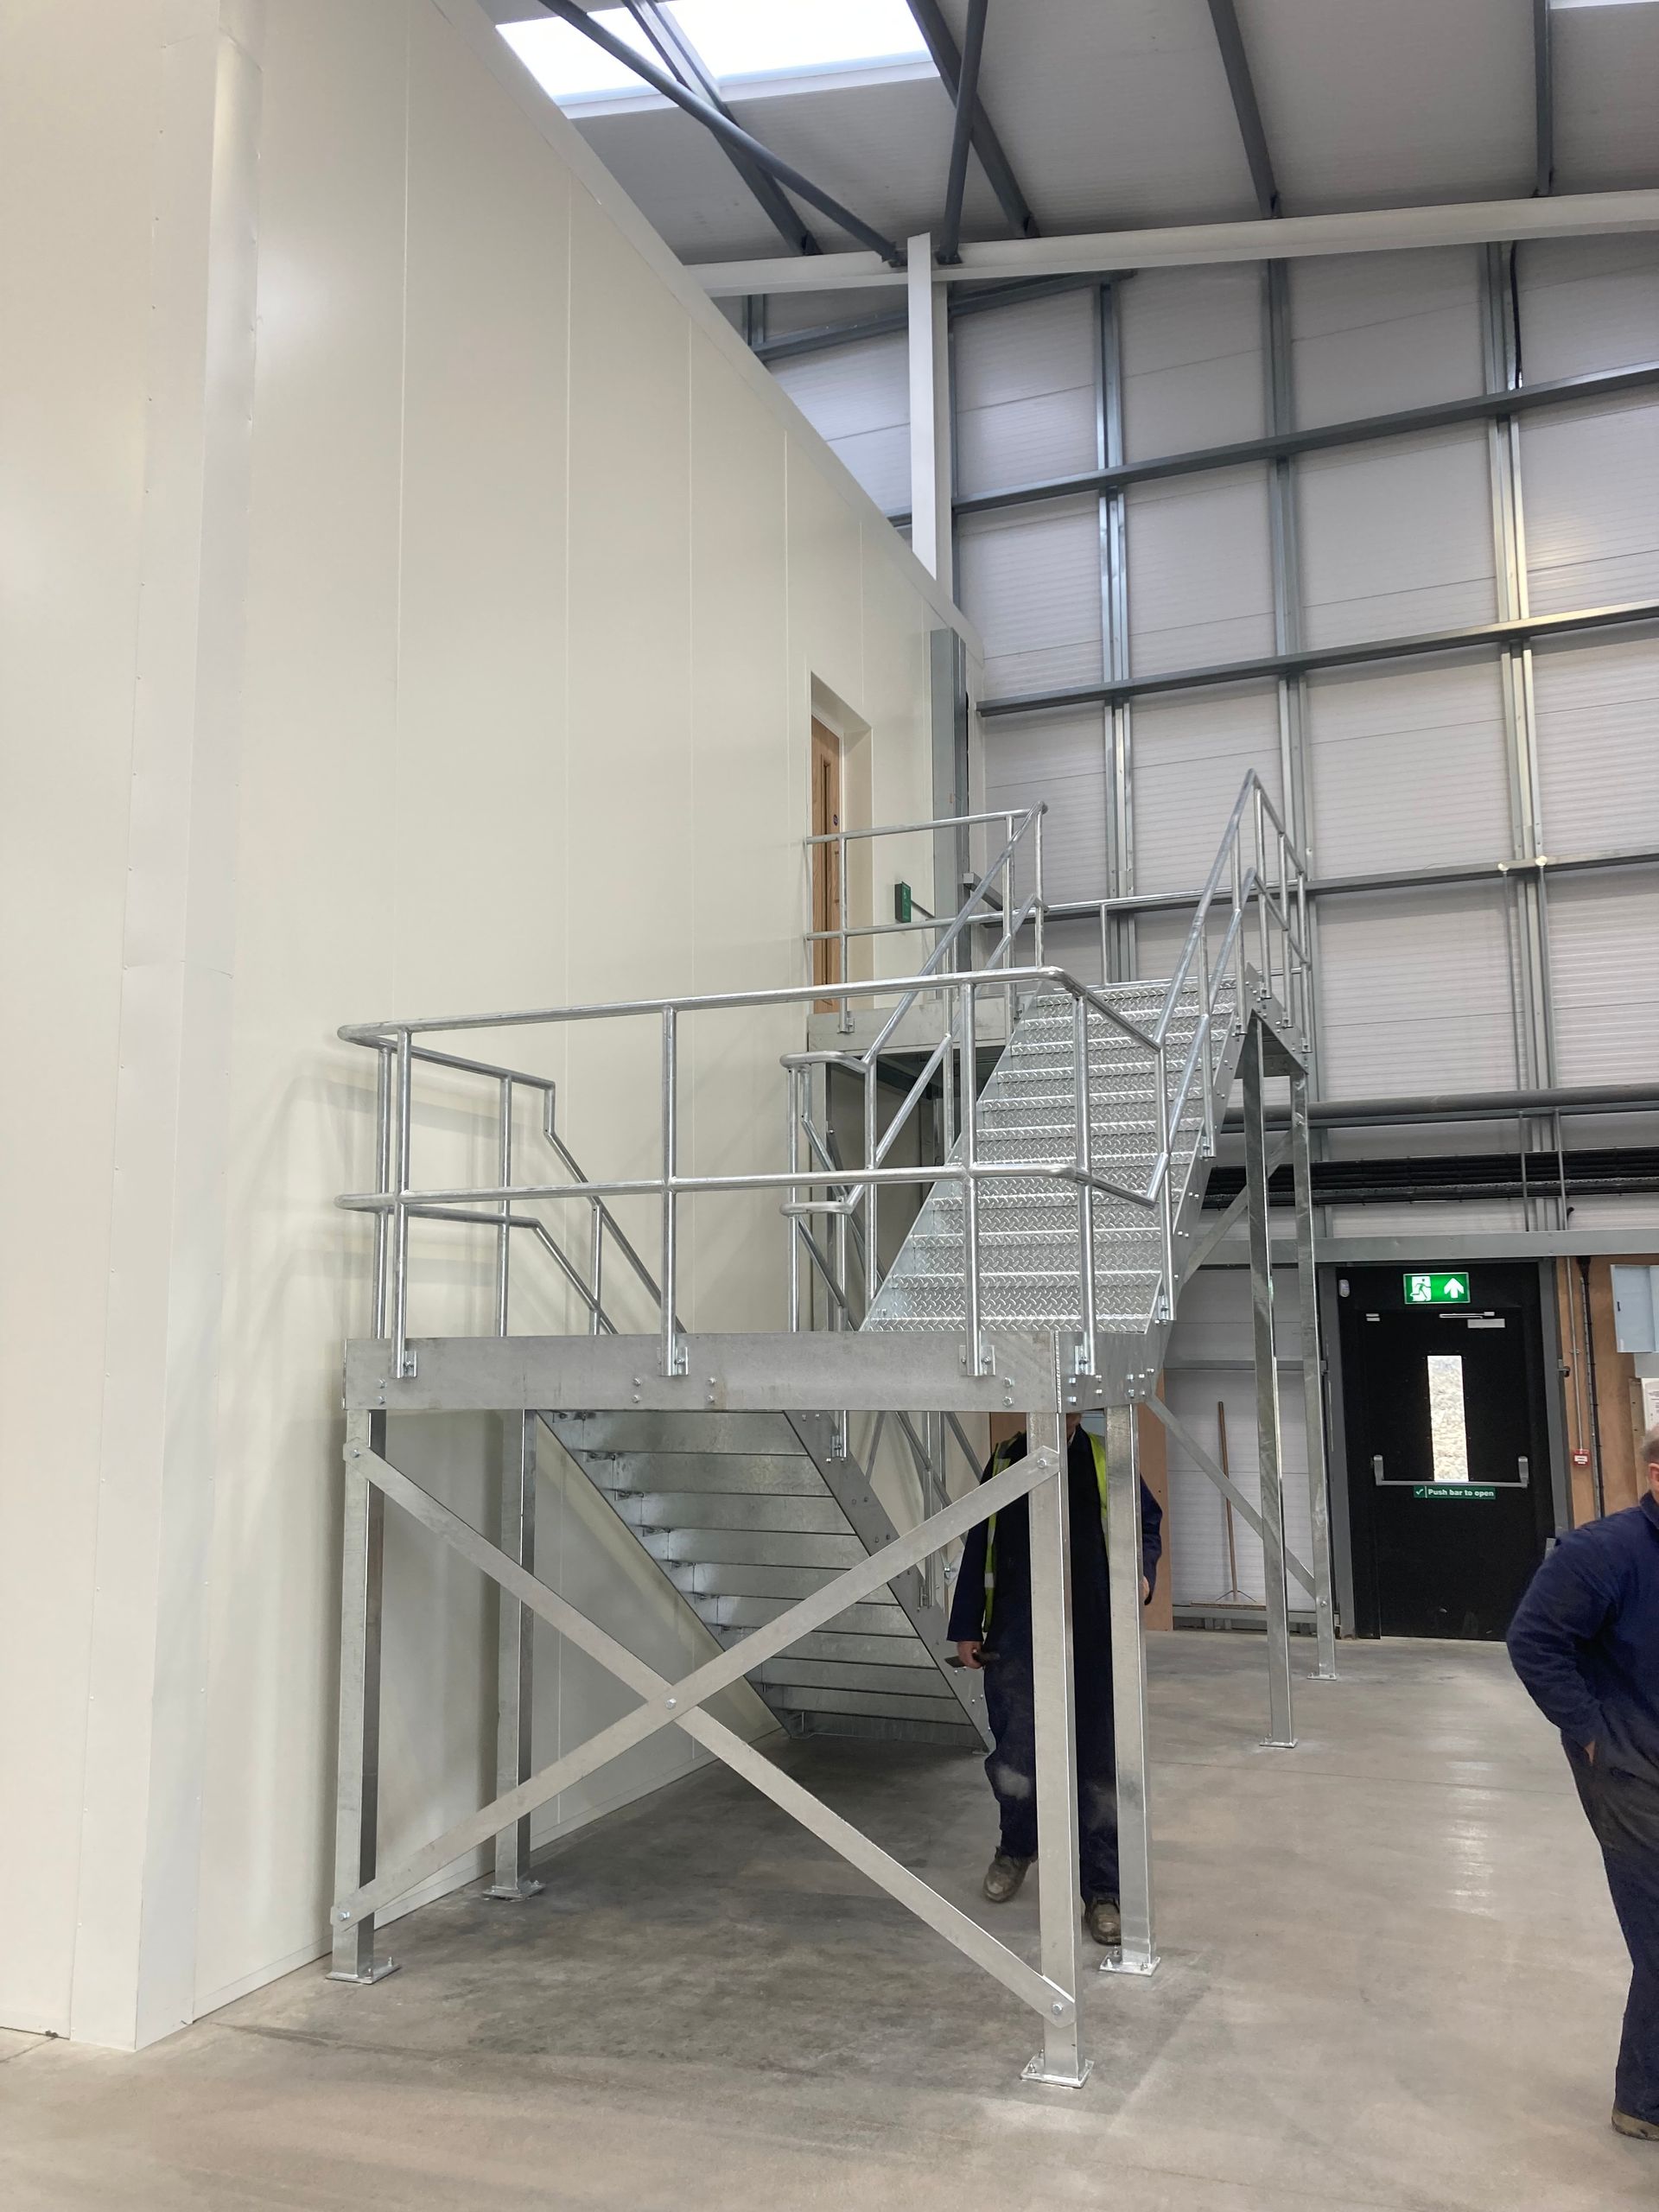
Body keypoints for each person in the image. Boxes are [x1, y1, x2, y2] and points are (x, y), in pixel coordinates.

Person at [947, 1414, 1162, 1946]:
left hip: (1094, 1636)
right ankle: (1017, 1846)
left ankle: (1104, 1889)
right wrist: (965, 1625)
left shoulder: (1105, 1456)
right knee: (1017, 1755)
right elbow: (981, 1542)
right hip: (1018, 1637)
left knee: (1098, 1762)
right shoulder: (1003, 1460)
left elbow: (1147, 1524)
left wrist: (1143, 1572)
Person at [1507, 1421, 1659, 2142]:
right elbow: (1534, 1640)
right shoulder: (1605, 1552)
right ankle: (1645, 2101)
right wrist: (1594, 1733)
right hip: (1633, 1771)